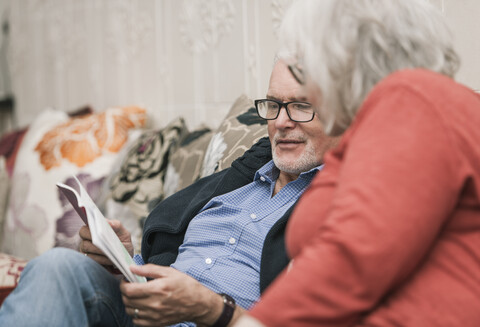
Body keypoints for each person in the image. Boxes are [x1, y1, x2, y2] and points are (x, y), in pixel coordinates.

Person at [0, 59, 339, 327]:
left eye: (300, 106)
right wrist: (123, 259)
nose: (281, 122)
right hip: (142, 311)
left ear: (344, 114)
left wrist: (210, 309)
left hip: (220, 320)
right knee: (58, 266)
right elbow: (163, 257)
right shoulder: (241, 179)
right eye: (274, 105)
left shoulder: (339, 203)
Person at [234, 0, 480, 326]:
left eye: (306, 68)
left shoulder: (413, 99)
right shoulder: (371, 128)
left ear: (340, 61)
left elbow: (356, 257)